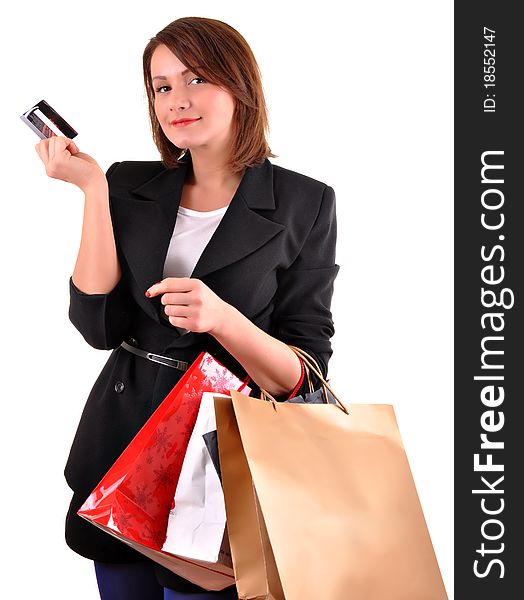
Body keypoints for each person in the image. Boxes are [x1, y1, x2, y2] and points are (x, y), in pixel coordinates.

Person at [35, 15, 340, 600]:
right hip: (122, 447)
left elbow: (306, 375)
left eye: (196, 78)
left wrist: (223, 318)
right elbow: (98, 325)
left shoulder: (305, 203)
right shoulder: (127, 184)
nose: (177, 100)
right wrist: (93, 190)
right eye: (162, 86)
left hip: (219, 465)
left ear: (239, 86)